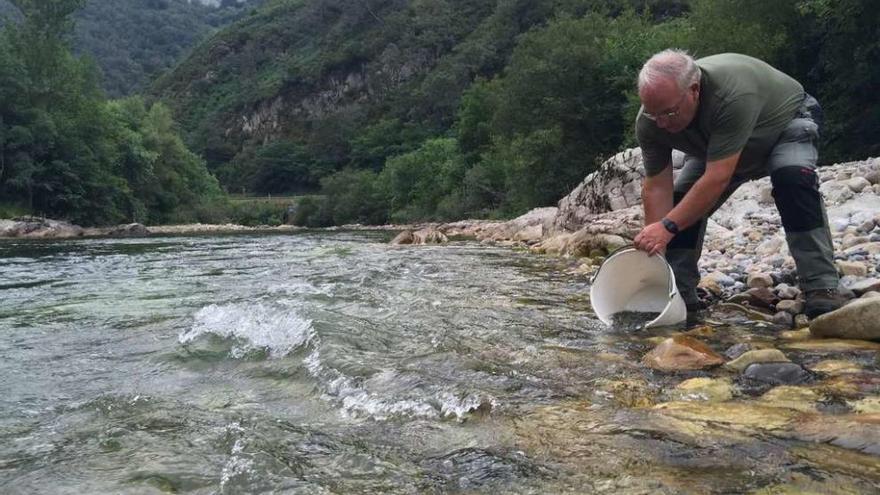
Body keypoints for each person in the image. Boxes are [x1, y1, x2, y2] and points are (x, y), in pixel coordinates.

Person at [632, 49, 845, 319]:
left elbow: (717, 177)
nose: (661, 122)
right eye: (654, 114)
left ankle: (821, 285)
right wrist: (657, 246)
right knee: (681, 202)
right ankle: (677, 292)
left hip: (786, 123)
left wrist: (668, 227)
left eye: (669, 113)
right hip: (719, 147)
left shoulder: (731, 95)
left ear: (694, 90)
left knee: (792, 179)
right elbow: (657, 187)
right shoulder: (650, 122)